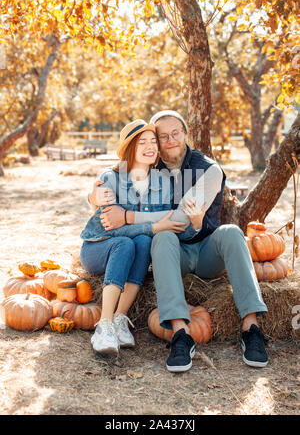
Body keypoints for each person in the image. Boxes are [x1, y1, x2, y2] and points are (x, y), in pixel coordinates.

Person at [89, 110, 269, 372]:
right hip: (173, 254)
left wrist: (126, 216)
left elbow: (182, 219)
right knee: (162, 237)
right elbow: (119, 173)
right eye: (162, 136)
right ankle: (180, 334)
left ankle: (250, 327)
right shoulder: (152, 166)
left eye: (176, 133)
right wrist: (94, 195)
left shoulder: (209, 169)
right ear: (156, 141)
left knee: (231, 231)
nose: (170, 140)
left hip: (207, 251)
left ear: (186, 134)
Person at [81, 119, 205, 357]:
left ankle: (119, 318)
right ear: (130, 148)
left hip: (129, 245)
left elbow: (175, 222)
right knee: (126, 243)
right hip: (98, 247)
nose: (150, 147)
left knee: (143, 243)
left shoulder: (164, 182)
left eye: (153, 142)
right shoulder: (111, 178)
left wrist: (193, 221)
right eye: (142, 143)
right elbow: (112, 228)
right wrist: (155, 225)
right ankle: (104, 324)